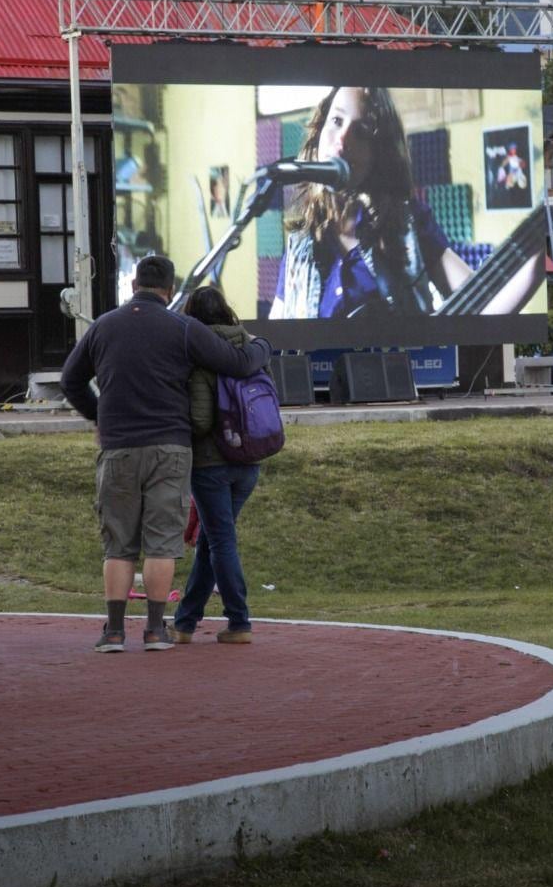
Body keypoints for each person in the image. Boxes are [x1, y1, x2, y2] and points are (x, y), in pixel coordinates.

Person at [60, 255, 271, 654]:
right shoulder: (183, 327)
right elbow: (238, 363)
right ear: (170, 290)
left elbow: (70, 380)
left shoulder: (104, 326)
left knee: (119, 545)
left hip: (118, 446)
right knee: (161, 544)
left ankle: (115, 632)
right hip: (171, 448)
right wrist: (263, 346)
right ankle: (156, 630)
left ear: (133, 285)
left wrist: (98, 416)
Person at [268, 86, 478, 320]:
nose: (342, 139)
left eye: (361, 131)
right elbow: (275, 341)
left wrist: (527, 261)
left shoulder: (407, 226)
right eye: (336, 120)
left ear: (379, 154)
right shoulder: (300, 246)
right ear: (319, 131)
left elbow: (483, 303)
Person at [170, 286, 264, 645]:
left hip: (211, 464)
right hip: (249, 460)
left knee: (221, 541)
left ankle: (239, 621)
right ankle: (185, 622)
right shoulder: (250, 347)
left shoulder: (198, 356)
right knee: (211, 542)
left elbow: (199, 419)